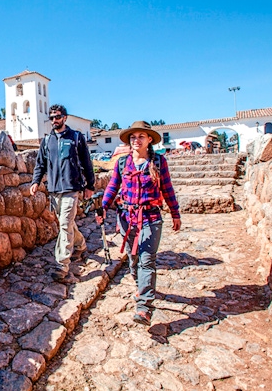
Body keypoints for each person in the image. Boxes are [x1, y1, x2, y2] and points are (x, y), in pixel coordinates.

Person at [96, 121, 181, 326]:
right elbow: (112, 186)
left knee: (146, 260)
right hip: (126, 217)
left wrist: (175, 213)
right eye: (133, 137)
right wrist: (103, 206)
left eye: (141, 136)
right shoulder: (123, 163)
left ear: (149, 139)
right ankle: (140, 285)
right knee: (133, 259)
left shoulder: (158, 162)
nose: (136, 140)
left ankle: (144, 307)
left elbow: (167, 189)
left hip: (150, 218)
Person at [30, 104, 95, 282]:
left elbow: (87, 163)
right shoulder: (46, 141)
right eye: (51, 117)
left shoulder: (76, 137)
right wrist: (35, 181)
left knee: (65, 225)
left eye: (57, 117)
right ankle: (80, 245)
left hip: (72, 188)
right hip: (54, 190)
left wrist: (90, 185)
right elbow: (40, 164)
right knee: (67, 223)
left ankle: (61, 265)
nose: (54, 120)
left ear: (65, 118)